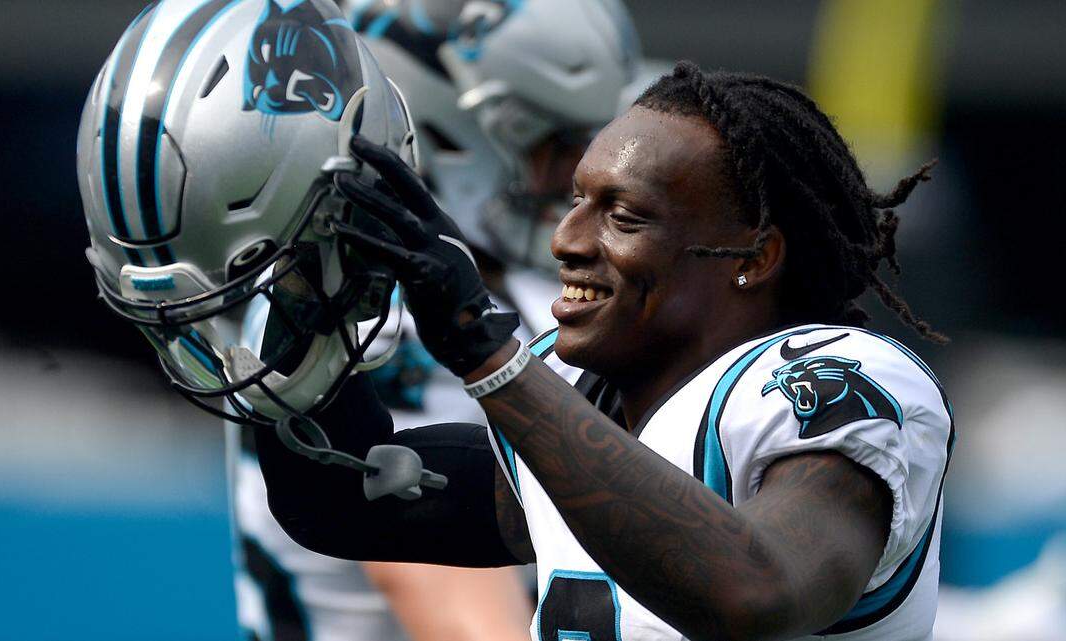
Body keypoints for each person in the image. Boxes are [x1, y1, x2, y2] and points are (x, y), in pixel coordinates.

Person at [255, 62, 954, 641]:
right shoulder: (578, 391)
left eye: (623, 216)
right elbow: (336, 498)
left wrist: (489, 355)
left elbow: (757, 595)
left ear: (753, 256)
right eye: (576, 202)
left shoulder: (839, 379)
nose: (567, 239)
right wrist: (306, 285)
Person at [226, 0, 643, 638]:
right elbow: (458, 608)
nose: (586, 174)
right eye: (558, 142)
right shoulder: (376, 309)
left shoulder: (501, 276)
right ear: (444, 131)